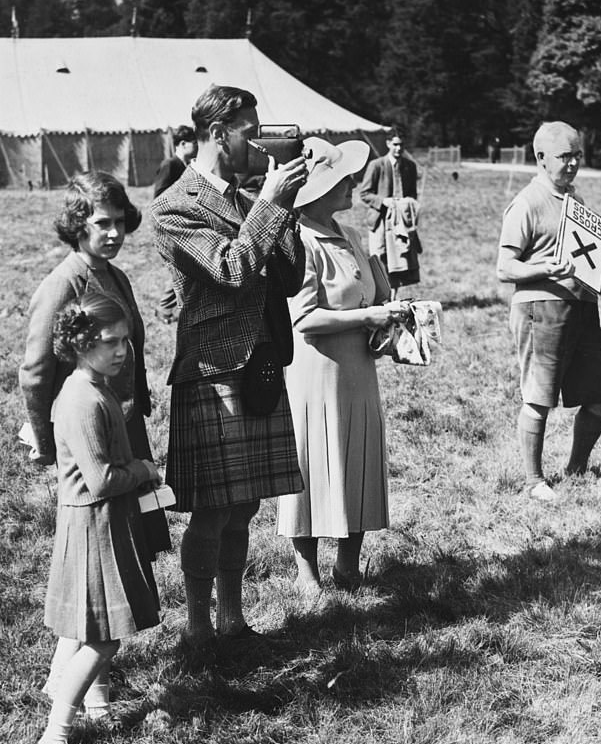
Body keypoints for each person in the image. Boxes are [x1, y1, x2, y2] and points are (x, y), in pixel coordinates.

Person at [151, 84, 307, 653]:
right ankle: (197, 627)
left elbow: (289, 279)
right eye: (251, 130)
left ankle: (233, 621)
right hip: (213, 370)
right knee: (213, 511)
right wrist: (269, 203)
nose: (260, 142)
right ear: (218, 134)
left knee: (245, 505)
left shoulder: (249, 197)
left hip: (260, 363)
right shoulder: (175, 206)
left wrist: (283, 207)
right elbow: (233, 269)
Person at [19, 172, 170, 702]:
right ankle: (81, 685)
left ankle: (83, 679)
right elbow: (35, 371)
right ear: (76, 225)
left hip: (121, 428)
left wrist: (140, 407)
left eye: (118, 222)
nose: (111, 233)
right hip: (88, 441)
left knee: (122, 547)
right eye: (99, 223)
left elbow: (133, 349)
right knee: (95, 556)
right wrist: (44, 440)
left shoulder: (115, 275)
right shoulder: (65, 282)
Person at [35, 292, 161, 744]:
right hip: (94, 523)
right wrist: (145, 471)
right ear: (81, 344)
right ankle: (56, 732)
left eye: (126, 341)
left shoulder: (95, 386)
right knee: (103, 636)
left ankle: (88, 702)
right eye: (110, 342)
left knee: (89, 627)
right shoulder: (82, 399)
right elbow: (102, 479)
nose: (122, 351)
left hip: (102, 520)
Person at [277, 137, 395, 594]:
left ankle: (348, 566)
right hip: (316, 374)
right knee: (311, 464)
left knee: (357, 461)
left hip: (358, 370)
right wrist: (367, 317)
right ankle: (307, 573)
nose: (352, 184)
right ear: (319, 190)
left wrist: (389, 313)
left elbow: (371, 291)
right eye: (342, 179)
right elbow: (303, 319)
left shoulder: (348, 235)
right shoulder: (300, 242)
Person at [496, 121, 601, 501]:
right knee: (539, 397)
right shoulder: (527, 203)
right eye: (565, 156)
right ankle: (534, 481)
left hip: (582, 306)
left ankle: (576, 468)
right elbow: (504, 267)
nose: (573, 163)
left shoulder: (574, 201)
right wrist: (543, 269)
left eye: (577, 155)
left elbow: (580, 253)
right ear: (541, 158)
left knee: (600, 396)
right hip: (541, 309)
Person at [359, 131, 421, 299]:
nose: (398, 148)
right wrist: (383, 201)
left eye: (401, 144)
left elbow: (413, 194)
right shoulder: (377, 165)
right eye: (395, 144)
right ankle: (379, 298)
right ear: (388, 144)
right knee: (379, 258)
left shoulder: (409, 166)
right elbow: (364, 193)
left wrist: (407, 204)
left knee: (400, 258)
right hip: (380, 220)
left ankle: (393, 297)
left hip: (400, 221)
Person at [153, 124, 197, 324]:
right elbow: (159, 196)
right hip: (171, 225)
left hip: (184, 223)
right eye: (195, 142)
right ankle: (164, 308)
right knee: (182, 267)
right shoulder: (171, 165)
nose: (198, 146)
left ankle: (170, 309)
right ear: (183, 144)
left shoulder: (187, 166)